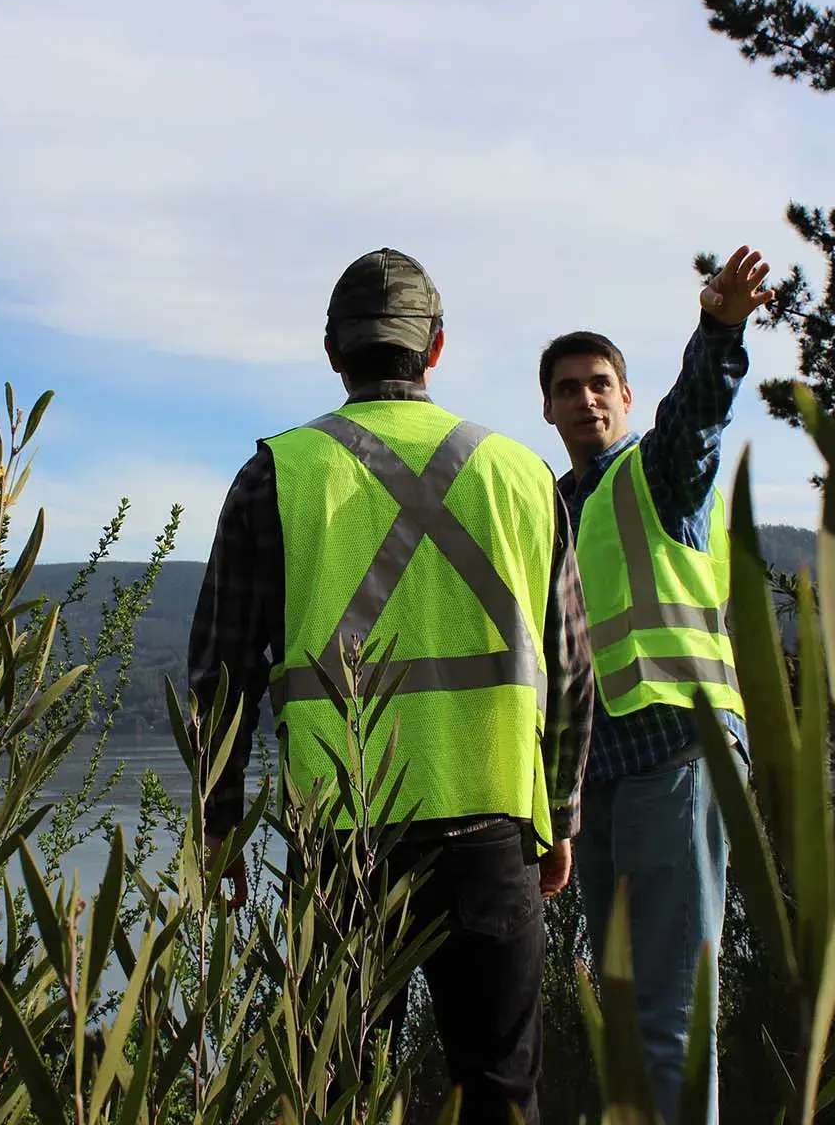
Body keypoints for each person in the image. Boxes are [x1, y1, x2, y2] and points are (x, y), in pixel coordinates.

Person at [190, 248, 596, 1125]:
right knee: (500, 1094)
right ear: (436, 349)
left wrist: (219, 826)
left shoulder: (275, 474)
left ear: (333, 352)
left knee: (336, 1090)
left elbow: (220, 674)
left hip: (342, 836)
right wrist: (558, 813)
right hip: (494, 825)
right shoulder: (525, 475)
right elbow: (572, 670)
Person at [538, 245, 773, 1123]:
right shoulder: (550, 511)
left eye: (601, 382)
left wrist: (720, 326)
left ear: (626, 398)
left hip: (679, 757)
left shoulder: (658, 477)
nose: (586, 397)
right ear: (548, 407)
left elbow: (697, 420)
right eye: (568, 387)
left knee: (669, 1015)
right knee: (628, 1016)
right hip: (594, 785)